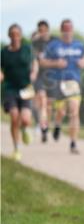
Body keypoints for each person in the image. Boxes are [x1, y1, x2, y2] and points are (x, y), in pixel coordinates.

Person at [39, 19, 84, 154]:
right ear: (61, 31)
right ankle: (57, 125)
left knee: (74, 111)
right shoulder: (53, 46)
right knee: (60, 112)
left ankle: (73, 143)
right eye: (64, 29)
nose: (67, 32)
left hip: (73, 82)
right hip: (57, 82)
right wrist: (55, 64)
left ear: (72, 30)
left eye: (69, 29)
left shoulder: (79, 45)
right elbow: (42, 62)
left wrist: (83, 62)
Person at [1, 24, 38, 161]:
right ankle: (16, 149)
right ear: (9, 35)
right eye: (13, 34)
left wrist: (34, 72)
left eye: (17, 34)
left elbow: (35, 63)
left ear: (21, 35)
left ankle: (24, 130)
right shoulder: (4, 52)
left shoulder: (27, 49)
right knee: (14, 116)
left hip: (26, 88)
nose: (15, 37)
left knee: (26, 119)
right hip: (10, 88)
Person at [30, 20, 52, 142]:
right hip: (38, 76)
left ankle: (44, 126)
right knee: (41, 101)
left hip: (51, 77)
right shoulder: (34, 45)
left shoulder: (52, 43)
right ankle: (40, 124)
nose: (42, 33)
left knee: (47, 105)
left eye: (44, 30)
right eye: (40, 30)